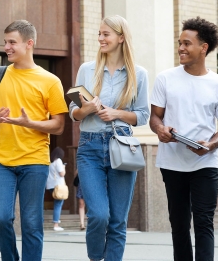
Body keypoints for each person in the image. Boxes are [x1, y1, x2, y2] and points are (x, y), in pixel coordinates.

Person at [0, 20, 68, 261]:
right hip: (0, 159)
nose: (6, 47)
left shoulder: (50, 81)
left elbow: (59, 126)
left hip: (34, 161)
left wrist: (29, 123)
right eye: (5, 42)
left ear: (29, 44)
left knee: (31, 224)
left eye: (12, 42)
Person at [149, 17, 218, 261]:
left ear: (203, 47)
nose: (181, 48)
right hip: (172, 162)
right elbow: (155, 117)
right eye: (179, 43)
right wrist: (160, 130)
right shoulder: (165, 78)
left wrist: (211, 144)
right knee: (178, 223)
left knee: (204, 222)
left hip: (205, 162)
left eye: (187, 43)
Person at [69, 15, 150, 260]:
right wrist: (88, 109)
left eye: (106, 34)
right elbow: (74, 113)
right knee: (98, 215)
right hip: (90, 147)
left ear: (121, 38)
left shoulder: (139, 74)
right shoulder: (86, 70)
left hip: (122, 146)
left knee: (117, 220)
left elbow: (143, 116)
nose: (100, 39)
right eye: (100, 34)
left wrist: (117, 113)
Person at [46, 147, 66, 231]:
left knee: (58, 203)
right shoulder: (59, 161)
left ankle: (56, 220)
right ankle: (56, 224)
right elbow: (62, 174)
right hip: (58, 185)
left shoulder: (51, 163)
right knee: (58, 204)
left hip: (51, 185)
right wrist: (64, 167)